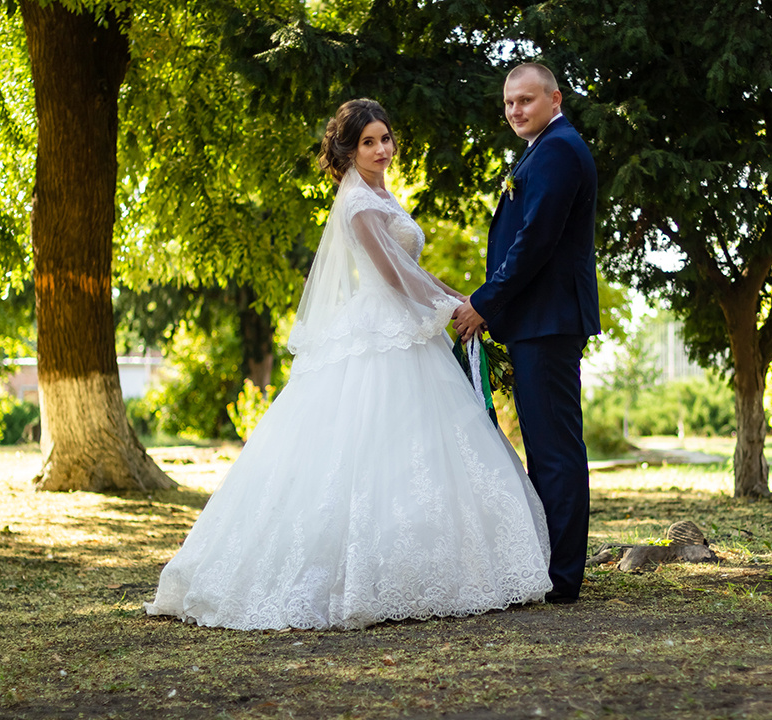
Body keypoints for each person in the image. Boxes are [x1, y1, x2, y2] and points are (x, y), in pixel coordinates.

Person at [145, 99, 552, 631]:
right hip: (381, 330)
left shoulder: (382, 192)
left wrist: (473, 302)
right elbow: (393, 276)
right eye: (368, 142)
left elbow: (412, 272)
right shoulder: (358, 205)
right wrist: (457, 308)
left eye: (385, 139)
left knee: (424, 451)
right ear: (348, 150)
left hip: (406, 326)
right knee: (361, 452)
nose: (382, 149)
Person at [452, 63, 600, 604]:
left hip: (549, 320)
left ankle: (562, 578)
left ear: (555, 97)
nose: (516, 110)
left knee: (556, 449)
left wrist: (485, 304)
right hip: (539, 320)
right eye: (510, 102)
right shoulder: (544, 147)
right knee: (544, 446)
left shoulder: (559, 150)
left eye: (526, 100)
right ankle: (550, 567)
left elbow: (536, 241)